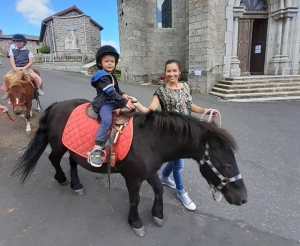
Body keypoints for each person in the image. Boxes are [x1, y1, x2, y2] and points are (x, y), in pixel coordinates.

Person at [128, 59, 219, 211]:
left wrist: (205, 110)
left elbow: (189, 105)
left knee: (177, 160)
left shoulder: (186, 87)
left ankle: (163, 176)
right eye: (168, 71)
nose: (171, 74)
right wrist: (137, 104)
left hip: (187, 133)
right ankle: (182, 192)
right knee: (179, 164)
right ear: (165, 73)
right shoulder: (161, 92)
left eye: (174, 71)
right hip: (170, 136)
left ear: (179, 71)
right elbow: (150, 111)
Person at [87, 45, 135, 167]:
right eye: (106, 61)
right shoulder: (101, 76)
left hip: (114, 101)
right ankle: (96, 148)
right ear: (100, 63)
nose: (110, 64)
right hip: (105, 103)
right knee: (107, 121)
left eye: (112, 61)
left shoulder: (111, 75)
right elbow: (110, 92)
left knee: (130, 115)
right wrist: (124, 102)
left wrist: (124, 95)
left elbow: (117, 90)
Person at [1, 34, 44, 100]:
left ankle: (38, 89)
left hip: (26, 68)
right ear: (14, 42)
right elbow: (12, 60)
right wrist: (14, 68)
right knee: (6, 77)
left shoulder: (28, 52)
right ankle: (8, 92)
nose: (18, 43)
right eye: (16, 41)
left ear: (24, 43)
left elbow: (31, 62)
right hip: (16, 68)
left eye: (20, 41)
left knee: (35, 76)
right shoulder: (12, 51)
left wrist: (24, 68)